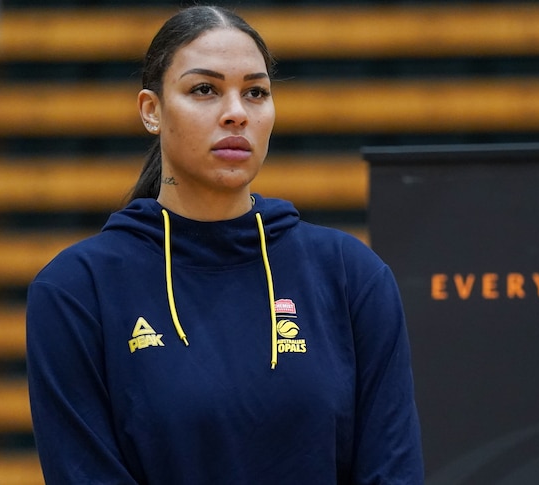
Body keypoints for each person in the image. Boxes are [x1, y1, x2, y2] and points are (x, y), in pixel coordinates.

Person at [25, 6, 423, 484]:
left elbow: (392, 471)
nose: (236, 113)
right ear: (152, 111)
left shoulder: (351, 274)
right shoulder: (75, 290)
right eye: (204, 90)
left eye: (255, 92)